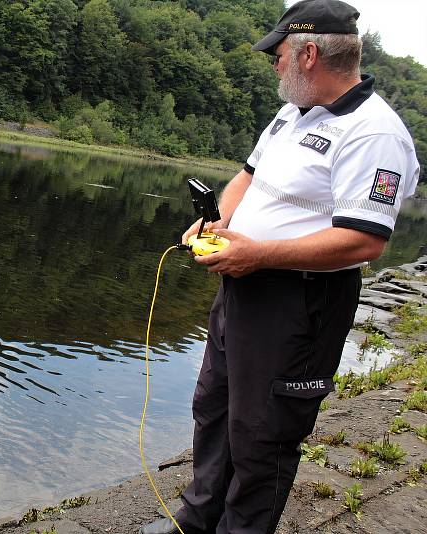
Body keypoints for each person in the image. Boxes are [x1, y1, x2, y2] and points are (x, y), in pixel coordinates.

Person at [141, 0, 421, 533]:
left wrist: (259, 253)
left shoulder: (374, 133)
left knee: (263, 432)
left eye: (279, 54)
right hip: (243, 284)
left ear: (309, 54)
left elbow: (364, 241)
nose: (274, 64)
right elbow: (248, 175)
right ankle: (197, 520)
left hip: (301, 304)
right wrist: (217, 222)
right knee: (215, 407)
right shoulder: (295, 111)